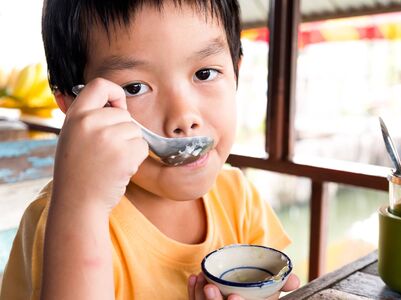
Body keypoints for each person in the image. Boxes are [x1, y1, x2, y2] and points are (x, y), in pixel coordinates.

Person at [0, 0, 300, 299]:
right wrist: (83, 204)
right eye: (134, 88)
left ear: (235, 71)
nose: (184, 117)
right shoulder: (67, 216)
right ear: (76, 108)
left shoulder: (239, 200)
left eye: (205, 73)